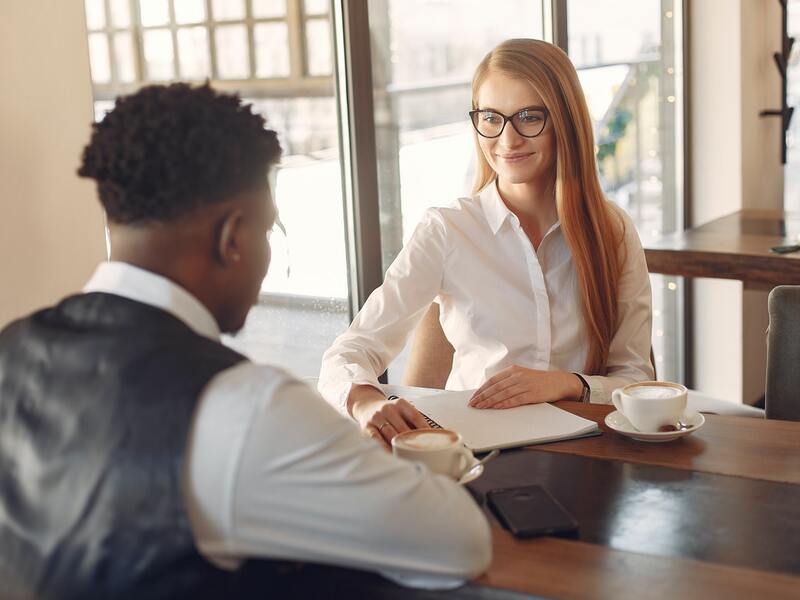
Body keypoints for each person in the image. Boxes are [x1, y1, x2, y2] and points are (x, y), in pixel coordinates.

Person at [0, 83, 490, 599]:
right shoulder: (247, 406)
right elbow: (460, 542)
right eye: (269, 231)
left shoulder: (12, 349)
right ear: (231, 237)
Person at [318, 38, 654, 449]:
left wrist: (565, 384)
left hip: (589, 452)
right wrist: (367, 401)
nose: (507, 140)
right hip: (475, 452)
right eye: (491, 118)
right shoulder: (447, 230)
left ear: (565, 121)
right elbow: (349, 353)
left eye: (529, 117)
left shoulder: (613, 231)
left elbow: (636, 379)